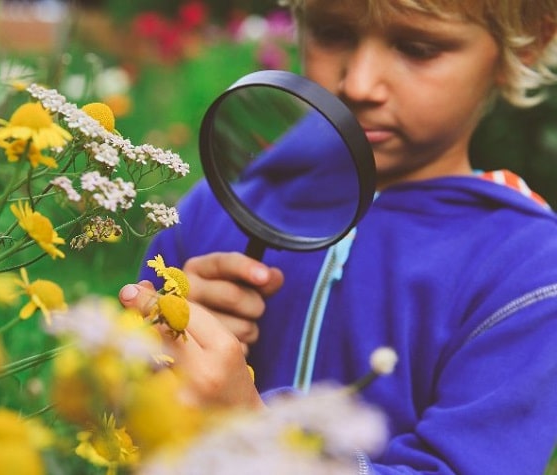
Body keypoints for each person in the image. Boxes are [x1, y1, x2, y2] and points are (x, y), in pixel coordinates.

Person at [118, 0, 557, 473]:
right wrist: (154, 353)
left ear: (529, 42)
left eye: (417, 48)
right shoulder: (214, 210)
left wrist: (255, 438)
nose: (358, 84)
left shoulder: (527, 272)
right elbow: (108, 422)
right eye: (331, 33)